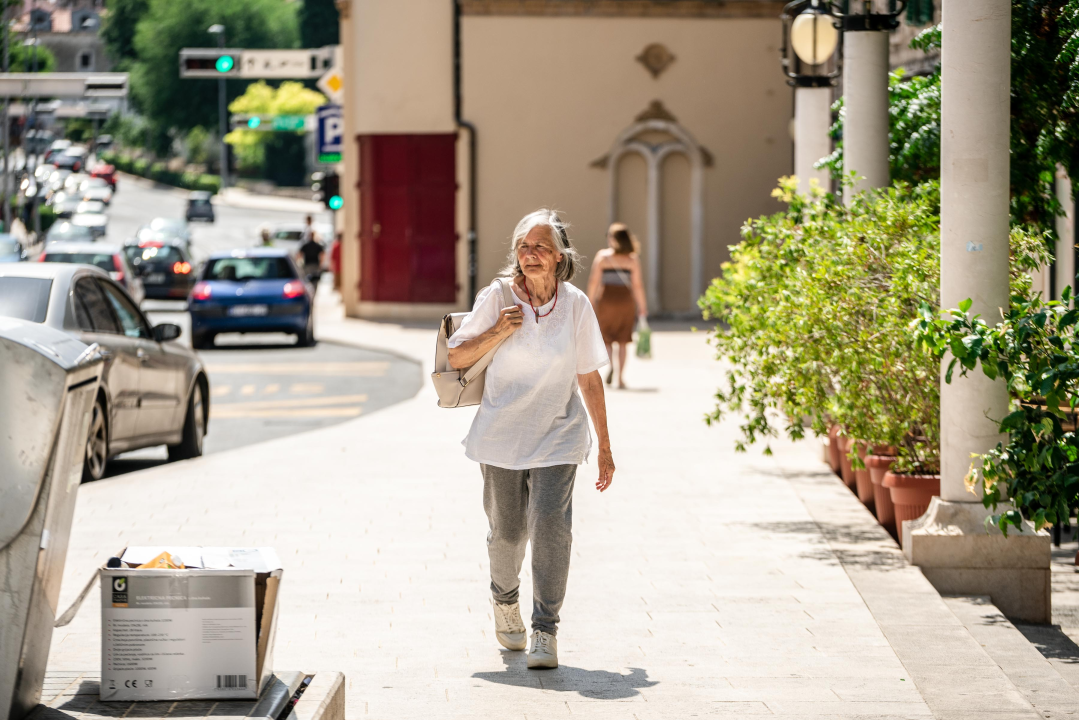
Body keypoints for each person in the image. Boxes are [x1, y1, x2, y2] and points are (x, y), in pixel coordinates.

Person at [447, 208, 614, 670]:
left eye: (540, 246)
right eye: (523, 246)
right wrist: (500, 329)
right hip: (502, 435)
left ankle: (545, 629)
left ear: (559, 256)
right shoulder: (496, 296)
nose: (530, 254)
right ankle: (505, 600)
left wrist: (604, 445)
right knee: (509, 532)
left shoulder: (576, 303)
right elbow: (457, 355)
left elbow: (589, 377)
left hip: (559, 433)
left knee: (551, 527)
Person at [586, 222, 648, 388]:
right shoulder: (632, 259)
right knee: (622, 340)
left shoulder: (603, 257)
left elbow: (594, 282)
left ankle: (612, 367)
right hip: (625, 301)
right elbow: (638, 285)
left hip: (606, 299)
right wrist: (642, 306)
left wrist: (590, 302)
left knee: (607, 339)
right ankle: (620, 379)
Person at [296, 216, 324, 285]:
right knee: (308, 280)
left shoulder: (311, 228)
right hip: (309, 261)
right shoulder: (307, 229)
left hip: (312, 261)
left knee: (312, 279)